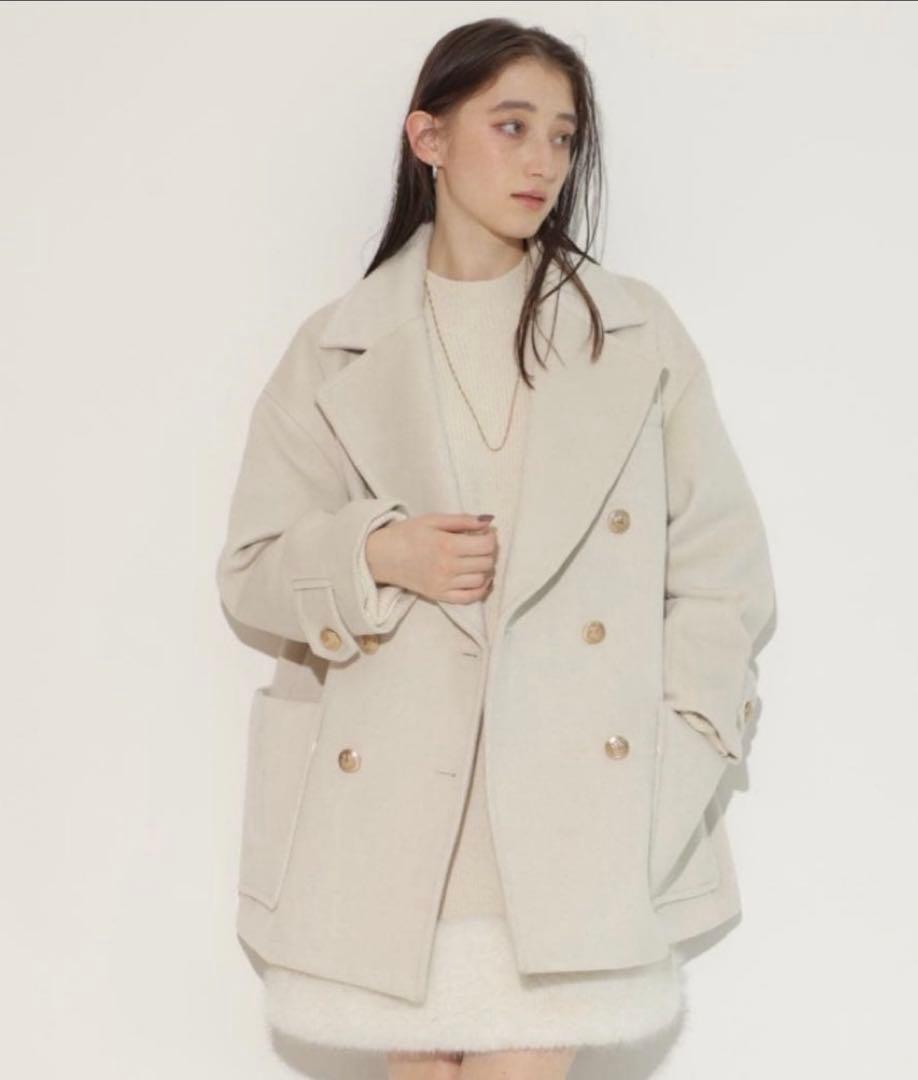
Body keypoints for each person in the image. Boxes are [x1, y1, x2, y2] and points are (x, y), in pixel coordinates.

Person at [215, 17, 777, 1080]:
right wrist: (378, 555)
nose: (542, 163)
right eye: (511, 126)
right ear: (427, 138)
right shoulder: (336, 346)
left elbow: (722, 570)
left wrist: (684, 746)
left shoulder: (633, 334)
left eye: (562, 137)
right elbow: (250, 571)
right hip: (392, 823)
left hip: (573, 817)